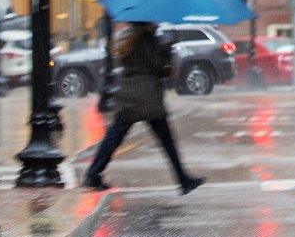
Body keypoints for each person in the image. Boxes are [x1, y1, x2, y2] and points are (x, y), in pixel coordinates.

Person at [82, 21, 205, 195]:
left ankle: (93, 174)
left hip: (129, 93)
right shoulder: (146, 38)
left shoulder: (130, 36)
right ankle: (183, 180)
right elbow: (158, 67)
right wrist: (166, 52)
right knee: (165, 139)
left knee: (115, 136)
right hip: (145, 95)